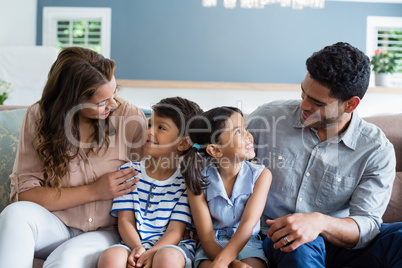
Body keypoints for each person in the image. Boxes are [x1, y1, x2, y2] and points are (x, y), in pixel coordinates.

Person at [247, 42, 402, 267]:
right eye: (303, 92)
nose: (303, 105)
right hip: (280, 240)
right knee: (298, 244)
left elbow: (367, 224)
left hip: (339, 242)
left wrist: (320, 223)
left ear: (350, 105)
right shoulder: (267, 120)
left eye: (317, 103)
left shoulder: (376, 149)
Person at [0, 47, 147, 268]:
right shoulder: (38, 117)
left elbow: (151, 185)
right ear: (72, 100)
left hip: (104, 232)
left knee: (66, 259)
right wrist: (95, 191)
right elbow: (24, 195)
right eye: (101, 102)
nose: (114, 104)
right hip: (55, 225)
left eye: (115, 92)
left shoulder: (129, 117)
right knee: (15, 216)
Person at [98, 97, 203, 268]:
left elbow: (175, 230)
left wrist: (153, 251)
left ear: (183, 143)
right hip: (132, 243)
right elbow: (125, 221)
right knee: (111, 256)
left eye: (161, 127)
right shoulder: (129, 171)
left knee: (166, 258)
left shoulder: (186, 180)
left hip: (172, 246)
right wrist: (138, 248)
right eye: (149, 125)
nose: (150, 132)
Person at [181, 106, 272, 268]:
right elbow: (207, 238)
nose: (248, 136)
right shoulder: (197, 179)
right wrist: (231, 264)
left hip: (247, 242)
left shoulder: (261, 175)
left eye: (246, 128)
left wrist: (226, 263)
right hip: (212, 246)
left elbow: (247, 225)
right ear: (215, 150)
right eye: (238, 131)